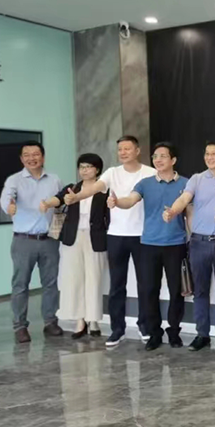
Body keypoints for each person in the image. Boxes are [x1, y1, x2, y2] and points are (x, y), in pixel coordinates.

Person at [64, 135, 156, 347]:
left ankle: (145, 326)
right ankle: (117, 330)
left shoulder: (150, 173)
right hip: (116, 235)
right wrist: (77, 196)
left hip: (143, 236)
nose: (123, 152)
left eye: (127, 148)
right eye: (120, 149)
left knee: (146, 285)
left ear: (137, 150)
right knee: (117, 286)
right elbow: (95, 187)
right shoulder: (112, 172)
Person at [108, 142, 188, 351]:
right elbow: (130, 200)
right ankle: (154, 333)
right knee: (149, 290)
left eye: (163, 156)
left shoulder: (186, 183)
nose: (158, 160)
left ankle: (174, 331)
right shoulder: (145, 183)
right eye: (155, 156)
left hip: (176, 244)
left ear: (173, 160)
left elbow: (190, 213)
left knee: (176, 291)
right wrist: (117, 202)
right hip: (149, 244)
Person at [164, 142, 215, 352]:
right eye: (206, 153)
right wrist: (173, 211)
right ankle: (202, 335)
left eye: (214, 154)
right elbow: (184, 199)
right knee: (200, 291)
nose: (209, 157)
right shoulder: (197, 179)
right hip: (198, 242)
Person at [0, 141, 63, 343]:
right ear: (21, 159)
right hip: (23, 240)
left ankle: (50, 322)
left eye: (35, 154)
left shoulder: (54, 180)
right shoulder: (14, 180)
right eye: (26, 155)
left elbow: (61, 205)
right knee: (20, 285)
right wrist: (9, 207)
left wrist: (58, 232)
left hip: (49, 240)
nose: (31, 158)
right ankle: (20, 326)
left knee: (51, 283)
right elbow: (7, 198)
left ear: (42, 157)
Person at [40, 153, 109, 339]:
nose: (84, 170)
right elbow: (59, 199)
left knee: (94, 279)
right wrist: (47, 203)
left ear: (97, 169)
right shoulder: (73, 188)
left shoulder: (104, 189)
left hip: (95, 238)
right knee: (74, 279)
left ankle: (93, 320)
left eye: (88, 167)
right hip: (73, 238)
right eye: (81, 167)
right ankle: (80, 321)